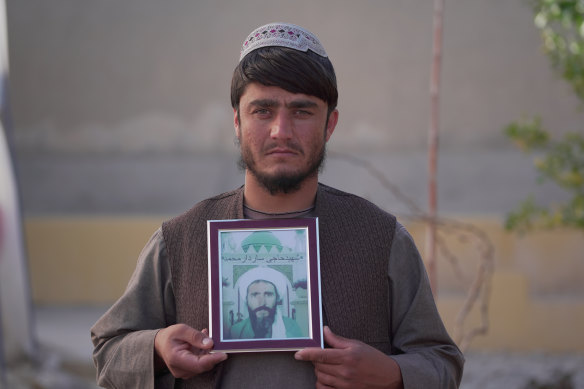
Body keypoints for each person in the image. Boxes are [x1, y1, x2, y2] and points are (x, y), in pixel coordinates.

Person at [91, 22, 464, 389]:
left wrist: (392, 375)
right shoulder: (181, 240)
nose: (281, 131)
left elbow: (441, 361)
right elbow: (109, 351)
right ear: (237, 121)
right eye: (263, 111)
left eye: (302, 112)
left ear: (329, 125)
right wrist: (156, 348)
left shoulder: (382, 239)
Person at [227, 266, 303, 340]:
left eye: (268, 294)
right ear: (247, 300)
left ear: (277, 298)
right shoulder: (236, 331)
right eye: (255, 295)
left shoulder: (292, 327)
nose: (262, 302)